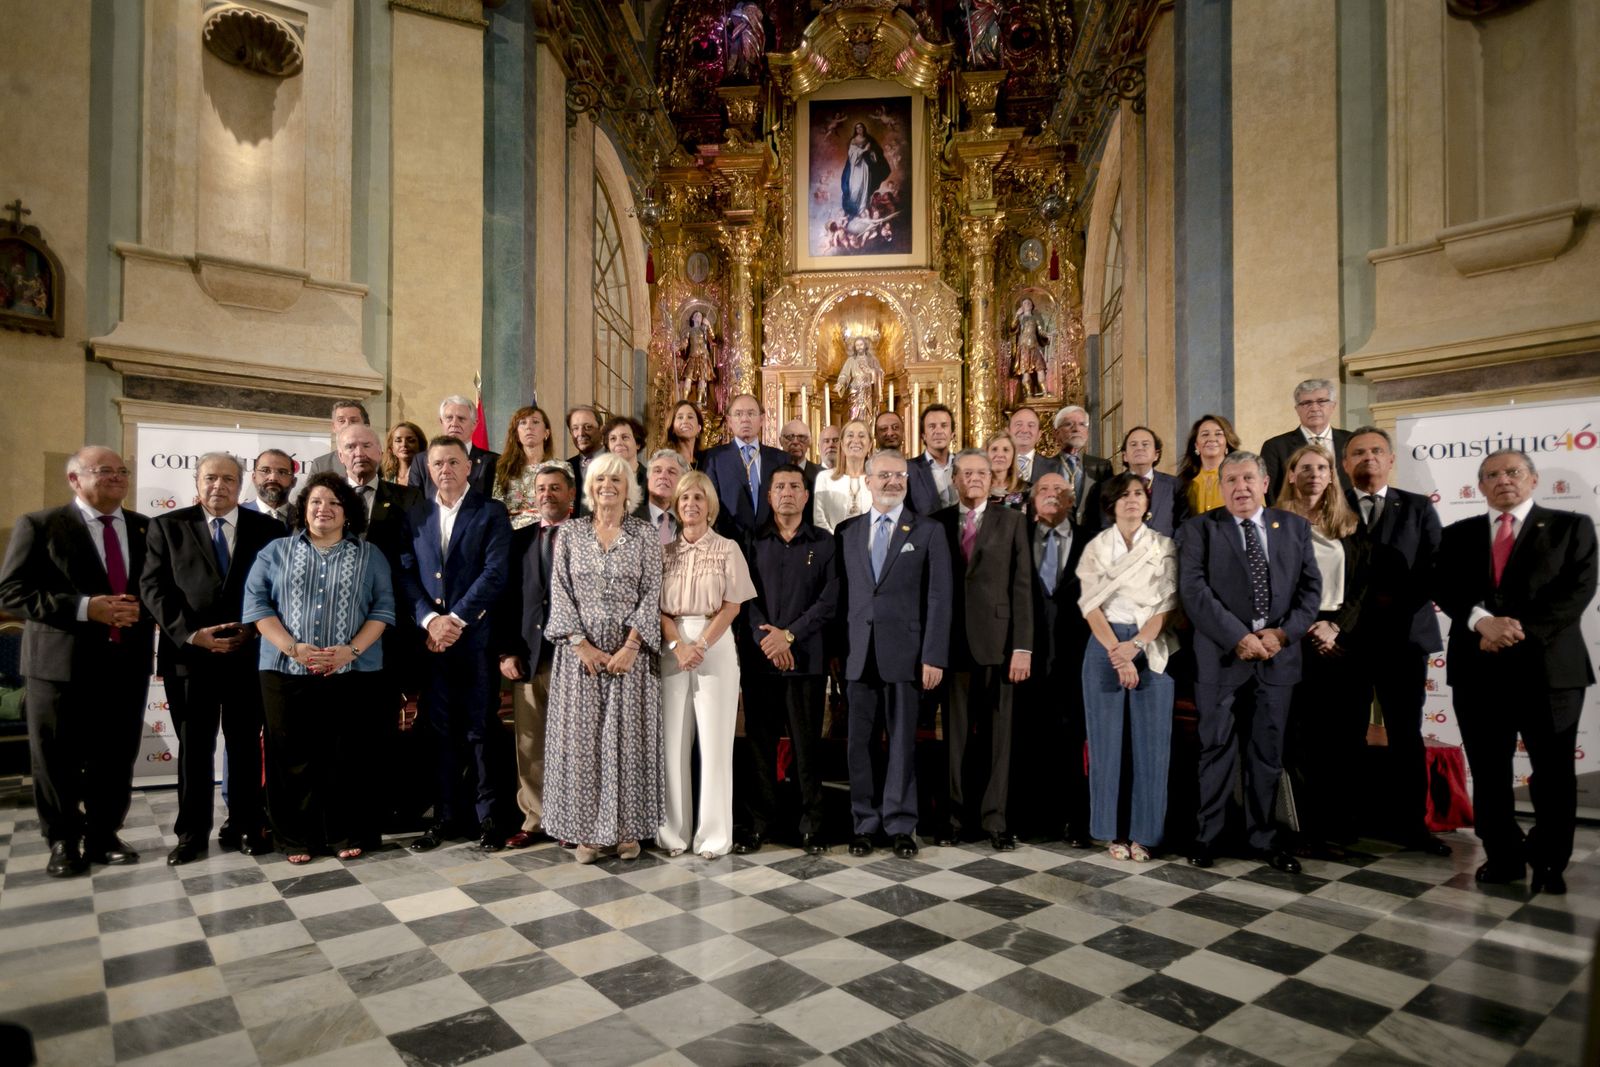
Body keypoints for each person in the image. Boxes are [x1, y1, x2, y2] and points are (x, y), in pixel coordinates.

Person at [1435, 449, 1597, 895]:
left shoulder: (1572, 527)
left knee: (1552, 771)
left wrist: (1512, 631)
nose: (1503, 479)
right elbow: (1446, 589)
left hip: (1549, 671)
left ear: (1533, 479)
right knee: (1488, 770)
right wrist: (1481, 622)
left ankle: (1549, 862)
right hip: (1479, 670)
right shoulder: (1457, 535)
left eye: (1513, 472)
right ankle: (1503, 855)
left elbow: (1577, 591)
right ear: (1481, 487)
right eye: (1491, 474)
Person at [0, 448, 153, 876]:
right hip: (59, 666)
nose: (117, 478)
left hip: (125, 663)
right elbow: (10, 593)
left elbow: (158, 591)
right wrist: (87, 608)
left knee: (116, 755)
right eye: (105, 471)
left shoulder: (145, 528)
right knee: (56, 758)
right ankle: (64, 839)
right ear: (74, 479)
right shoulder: (41, 525)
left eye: (122, 471)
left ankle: (105, 834)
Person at [1178, 451, 1321, 873]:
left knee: (1267, 754)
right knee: (1216, 749)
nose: (1239, 487)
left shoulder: (1294, 528)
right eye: (1230, 480)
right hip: (1221, 659)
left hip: (1277, 659)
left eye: (1247, 478)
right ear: (1220, 488)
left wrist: (1281, 634)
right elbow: (1194, 591)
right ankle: (1210, 837)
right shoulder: (1199, 529)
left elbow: (1311, 591)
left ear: (1264, 482)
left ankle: (1264, 839)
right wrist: (1237, 637)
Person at [242, 473, 394, 863]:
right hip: (283, 670)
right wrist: (292, 648)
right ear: (302, 509)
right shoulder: (274, 551)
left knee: (346, 755)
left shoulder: (370, 555)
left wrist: (350, 651)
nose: (323, 509)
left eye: (333, 503)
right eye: (314, 502)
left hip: (354, 672)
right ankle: (294, 838)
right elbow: (257, 605)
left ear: (348, 512)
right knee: (290, 756)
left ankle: (344, 833)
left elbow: (382, 609)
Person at [140, 452, 284, 865]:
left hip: (248, 656)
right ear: (196, 482)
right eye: (209, 478)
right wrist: (192, 635)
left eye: (227, 479)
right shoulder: (167, 526)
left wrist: (254, 628)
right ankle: (191, 834)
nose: (217, 486)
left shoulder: (269, 529)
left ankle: (245, 825)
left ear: (242, 486)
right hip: (190, 660)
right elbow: (154, 588)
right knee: (194, 749)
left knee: (243, 746)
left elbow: (279, 590)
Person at [542, 452, 664, 863]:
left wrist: (631, 647)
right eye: (599, 480)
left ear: (630, 488)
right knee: (583, 747)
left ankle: (628, 831)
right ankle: (587, 834)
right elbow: (560, 593)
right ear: (589, 489)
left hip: (631, 661)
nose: (607, 486)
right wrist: (581, 645)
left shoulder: (645, 535)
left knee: (628, 746)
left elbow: (652, 593)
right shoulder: (571, 535)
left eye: (616, 479)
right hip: (581, 662)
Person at [837, 449, 952, 858]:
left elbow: (939, 598)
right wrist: (838, 656)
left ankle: (902, 824)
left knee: (902, 742)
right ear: (867, 481)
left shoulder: (927, 531)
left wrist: (934, 656)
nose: (892, 482)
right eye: (883, 475)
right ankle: (865, 824)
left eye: (899, 476)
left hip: (906, 654)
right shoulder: (846, 532)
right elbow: (843, 598)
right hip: (857, 655)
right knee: (859, 745)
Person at [1342, 427, 1450, 855]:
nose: (1368, 458)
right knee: (1346, 733)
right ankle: (1344, 821)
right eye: (1358, 453)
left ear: (1390, 460)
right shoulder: (1333, 507)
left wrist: (1390, 606)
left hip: (1403, 638)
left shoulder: (1419, 507)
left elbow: (1434, 567)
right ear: (1345, 463)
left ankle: (1412, 825)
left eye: (1376, 451)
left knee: (1406, 734)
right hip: (1346, 642)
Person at [401, 437, 513, 853]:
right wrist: (431, 621)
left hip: (475, 641)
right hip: (433, 644)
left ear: (469, 467)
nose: (444, 469)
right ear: (427, 469)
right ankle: (444, 819)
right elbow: (406, 571)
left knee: (481, 731)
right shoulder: (417, 513)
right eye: (437, 463)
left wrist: (456, 620)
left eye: (453, 462)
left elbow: (496, 572)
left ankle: (489, 820)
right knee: (440, 731)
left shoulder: (491, 511)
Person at [1077, 472, 1179, 861]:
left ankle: (1145, 834)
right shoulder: (1097, 548)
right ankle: (1109, 832)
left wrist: (1136, 647)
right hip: (1103, 645)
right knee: (1105, 745)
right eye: (1123, 495)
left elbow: (1167, 606)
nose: (1132, 500)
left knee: (1152, 746)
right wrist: (1117, 654)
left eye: (1138, 494)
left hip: (1151, 645)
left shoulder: (1164, 547)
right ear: (1111, 504)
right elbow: (1090, 607)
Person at [934, 450, 1033, 850]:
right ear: (954, 479)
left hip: (999, 642)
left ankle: (995, 820)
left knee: (998, 738)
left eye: (982, 473)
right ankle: (954, 819)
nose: (974, 479)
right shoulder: (937, 523)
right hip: (952, 643)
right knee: (954, 737)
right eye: (966, 473)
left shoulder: (1012, 522)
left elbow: (1022, 588)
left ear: (993, 479)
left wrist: (1022, 647)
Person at [1274, 444, 1371, 852]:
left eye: (1321, 468)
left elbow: (1365, 584)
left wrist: (1335, 626)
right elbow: (1269, 584)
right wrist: (1301, 625)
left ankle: (1341, 825)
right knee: (1298, 736)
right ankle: (1302, 827)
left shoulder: (1350, 524)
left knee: (1343, 736)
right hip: (1293, 637)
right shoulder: (1274, 523)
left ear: (1333, 475)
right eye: (1304, 468)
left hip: (1340, 639)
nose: (1314, 474)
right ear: (1291, 475)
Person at [738, 464, 837, 854]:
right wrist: (770, 638)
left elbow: (829, 600)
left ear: (806, 496)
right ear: (769, 496)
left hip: (805, 658)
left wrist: (789, 636)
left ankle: (810, 825)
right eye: (779, 486)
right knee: (760, 744)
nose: (787, 493)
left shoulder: (825, 542)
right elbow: (742, 596)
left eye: (795, 486)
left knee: (806, 745)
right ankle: (761, 822)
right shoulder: (752, 541)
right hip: (761, 659)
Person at [658, 471, 757, 858]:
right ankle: (672, 834)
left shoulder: (727, 548)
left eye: (698, 498)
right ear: (677, 506)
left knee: (716, 746)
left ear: (709, 504)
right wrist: (678, 644)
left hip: (714, 644)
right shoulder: (665, 553)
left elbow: (733, 605)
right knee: (673, 744)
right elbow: (660, 609)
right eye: (684, 499)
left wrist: (698, 644)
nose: (691, 505)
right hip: (673, 646)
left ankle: (714, 836)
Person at [338, 423, 425, 843]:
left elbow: (417, 562)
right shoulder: (325, 499)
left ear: (381, 451)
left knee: (385, 725)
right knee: (339, 727)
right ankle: (341, 811)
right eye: (351, 446)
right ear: (340, 454)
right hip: (332, 634)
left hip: (390, 632)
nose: (360, 452)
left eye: (367, 445)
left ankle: (385, 811)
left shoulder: (408, 498)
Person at [496, 460, 575, 849]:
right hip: (529, 653)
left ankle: (571, 818)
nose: (547, 495)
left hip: (575, 655)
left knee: (574, 741)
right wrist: (506, 651)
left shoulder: (585, 536)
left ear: (571, 494)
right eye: (541, 488)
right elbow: (508, 599)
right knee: (530, 741)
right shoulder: (520, 538)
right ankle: (536, 818)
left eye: (555, 488)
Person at [1019, 472, 1092, 845]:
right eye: (1043, 490)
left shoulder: (1089, 540)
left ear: (1072, 499)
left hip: (1074, 657)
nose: (1051, 495)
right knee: (1029, 739)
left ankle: (1075, 821)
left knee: (1071, 740)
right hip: (1026, 656)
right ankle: (1033, 819)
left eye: (1059, 491)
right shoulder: (1018, 536)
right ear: (1032, 499)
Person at [702, 392, 788, 541]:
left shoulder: (780, 458)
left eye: (751, 413)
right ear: (729, 421)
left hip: (772, 543)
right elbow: (710, 504)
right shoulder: (714, 459)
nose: (745, 419)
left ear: (761, 419)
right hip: (728, 543)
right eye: (738, 414)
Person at [1260, 378, 1353, 501]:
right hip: (1295, 517)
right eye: (1307, 403)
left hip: (1347, 516)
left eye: (1321, 402)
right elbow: (1271, 494)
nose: (1314, 408)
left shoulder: (1351, 441)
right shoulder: (1275, 446)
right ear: (1297, 409)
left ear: (1332, 406)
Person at [1088, 426, 1189, 536]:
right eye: (1133, 444)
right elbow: (1097, 530)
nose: (1139, 448)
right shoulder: (1105, 487)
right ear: (1125, 455)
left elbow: (1183, 528)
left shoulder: (1175, 486)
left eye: (1145, 444)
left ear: (1156, 455)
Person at [407, 395, 500, 500]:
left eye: (461, 419)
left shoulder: (494, 461)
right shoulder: (421, 461)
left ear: (474, 424)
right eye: (449, 418)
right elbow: (414, 503)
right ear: (442, 422)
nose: (454, 424)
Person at [493, 405, 557, 528]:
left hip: (548, 533)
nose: (529, 427)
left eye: (535, 422)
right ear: (516, 434)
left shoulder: (560, 467)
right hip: (511, 535)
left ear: (546, 433)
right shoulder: (503, 468)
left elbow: (566, 508)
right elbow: (497, 507)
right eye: (523, 423)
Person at [1052, 405, 1112, 526]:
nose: (1076, 429)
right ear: (1056, 433)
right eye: (1069, 424)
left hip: (1093, 537)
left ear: (1087, 432)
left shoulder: (1102, 467)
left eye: (1082, 424)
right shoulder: (1045, 466)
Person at [813, 419, 874, 532]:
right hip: (833, 546)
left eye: (861, 436)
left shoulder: (877, 480)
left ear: (870, 444)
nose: (856, 440)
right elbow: (820, 520)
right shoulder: (824, 478)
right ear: (842, 444)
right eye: (850, 435)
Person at [1177, 414, 1241, 516]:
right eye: (1205, 434)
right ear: (1196, 445)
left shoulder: (1242, 478)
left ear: (1227, 443)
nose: (1211, 439)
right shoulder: (1183, 482)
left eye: (1218, 434)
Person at [907, 403, 956, 515]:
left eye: (944, 426)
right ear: (924, 435)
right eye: (932, 426)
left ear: (952, 434)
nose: (938, 431)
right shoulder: (910, 469)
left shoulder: (964, 464)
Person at [304, 399, 370, 476]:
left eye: (354, 420)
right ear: (334, 427)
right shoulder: (320, 465)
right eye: (341, 421)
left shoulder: (382, 461)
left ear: (366, 426)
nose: (347, 425)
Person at [841, 121, 889, 219]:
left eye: (861, 127)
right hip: (856, 168)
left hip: (866, 166)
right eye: (857, 128)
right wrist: (864, 150)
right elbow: (852, 156)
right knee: (856, 188)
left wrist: (872, 153)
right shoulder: (853, 141)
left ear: (864, 129)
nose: (859, 129)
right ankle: (853, 210)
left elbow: (874, 153)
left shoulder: (868, 140)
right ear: (855, 130)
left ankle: (862, 210)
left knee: (864, 187)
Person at [640, 449, 688, 541]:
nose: (663, 476)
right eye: (657, 471)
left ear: (682, 482)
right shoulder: (628, 518)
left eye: (671, 472)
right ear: (648, 479)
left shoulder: (691, 521)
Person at [244, 448, 298, 526]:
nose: (273, 478)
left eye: (282, 472)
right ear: (254, 477)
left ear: (293, 481)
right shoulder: (237, 516)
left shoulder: (306, 518)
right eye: (265, 470)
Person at [566, 404, 604, 514]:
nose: (581, 433)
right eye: (575, 428)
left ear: (601, 429)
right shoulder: (565, 468)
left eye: (588, 427)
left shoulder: (617, 463)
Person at [1009, 407, 1062, 485]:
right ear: (1008, 431)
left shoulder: (1056, 468)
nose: (1024, 430)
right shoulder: (994, 464)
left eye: (1031, 425)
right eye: (1018, 424)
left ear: (1039, 435)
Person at [1011, 297, 1050, 397]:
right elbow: (1012, 328)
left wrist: (1049, 335)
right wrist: (1016, 315)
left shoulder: (1035, 318)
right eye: (1025, 303)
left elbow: (1041, 331)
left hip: (1035, 346)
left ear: (1032, 306)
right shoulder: (1020, 318)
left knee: (1040, 369)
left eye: (1029, 302)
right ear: (1022, 307)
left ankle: (1045, 392)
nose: (1027, 304)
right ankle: (1028, 394)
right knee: (1025, 372)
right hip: (1024, 347)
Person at [603, 414, 650, 490]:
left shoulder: (651, 479)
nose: (618, 443)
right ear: (608, 446)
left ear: (638, 444)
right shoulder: (600, 478)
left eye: (625, 437)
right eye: (613, 439)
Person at [985, 431, 1029, 509]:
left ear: (1013, 455)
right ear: (986, 454)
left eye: (1006, 450)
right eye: (994, 449)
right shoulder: (976, 488)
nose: (1000, 455)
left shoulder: (1027, 490)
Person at [662, 399, 706, 471]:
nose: (685, 421)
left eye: (690, 417)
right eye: (680, 417)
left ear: (699, 427)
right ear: (672, 427)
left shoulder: (707, 461)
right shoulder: (667, 461)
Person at [384, 421, 427, 485]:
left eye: (410, 441)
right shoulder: (386, 479)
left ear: (420, 445)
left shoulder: (428, 477)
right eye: (398, 441)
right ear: (391, 448)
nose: (404, 444)